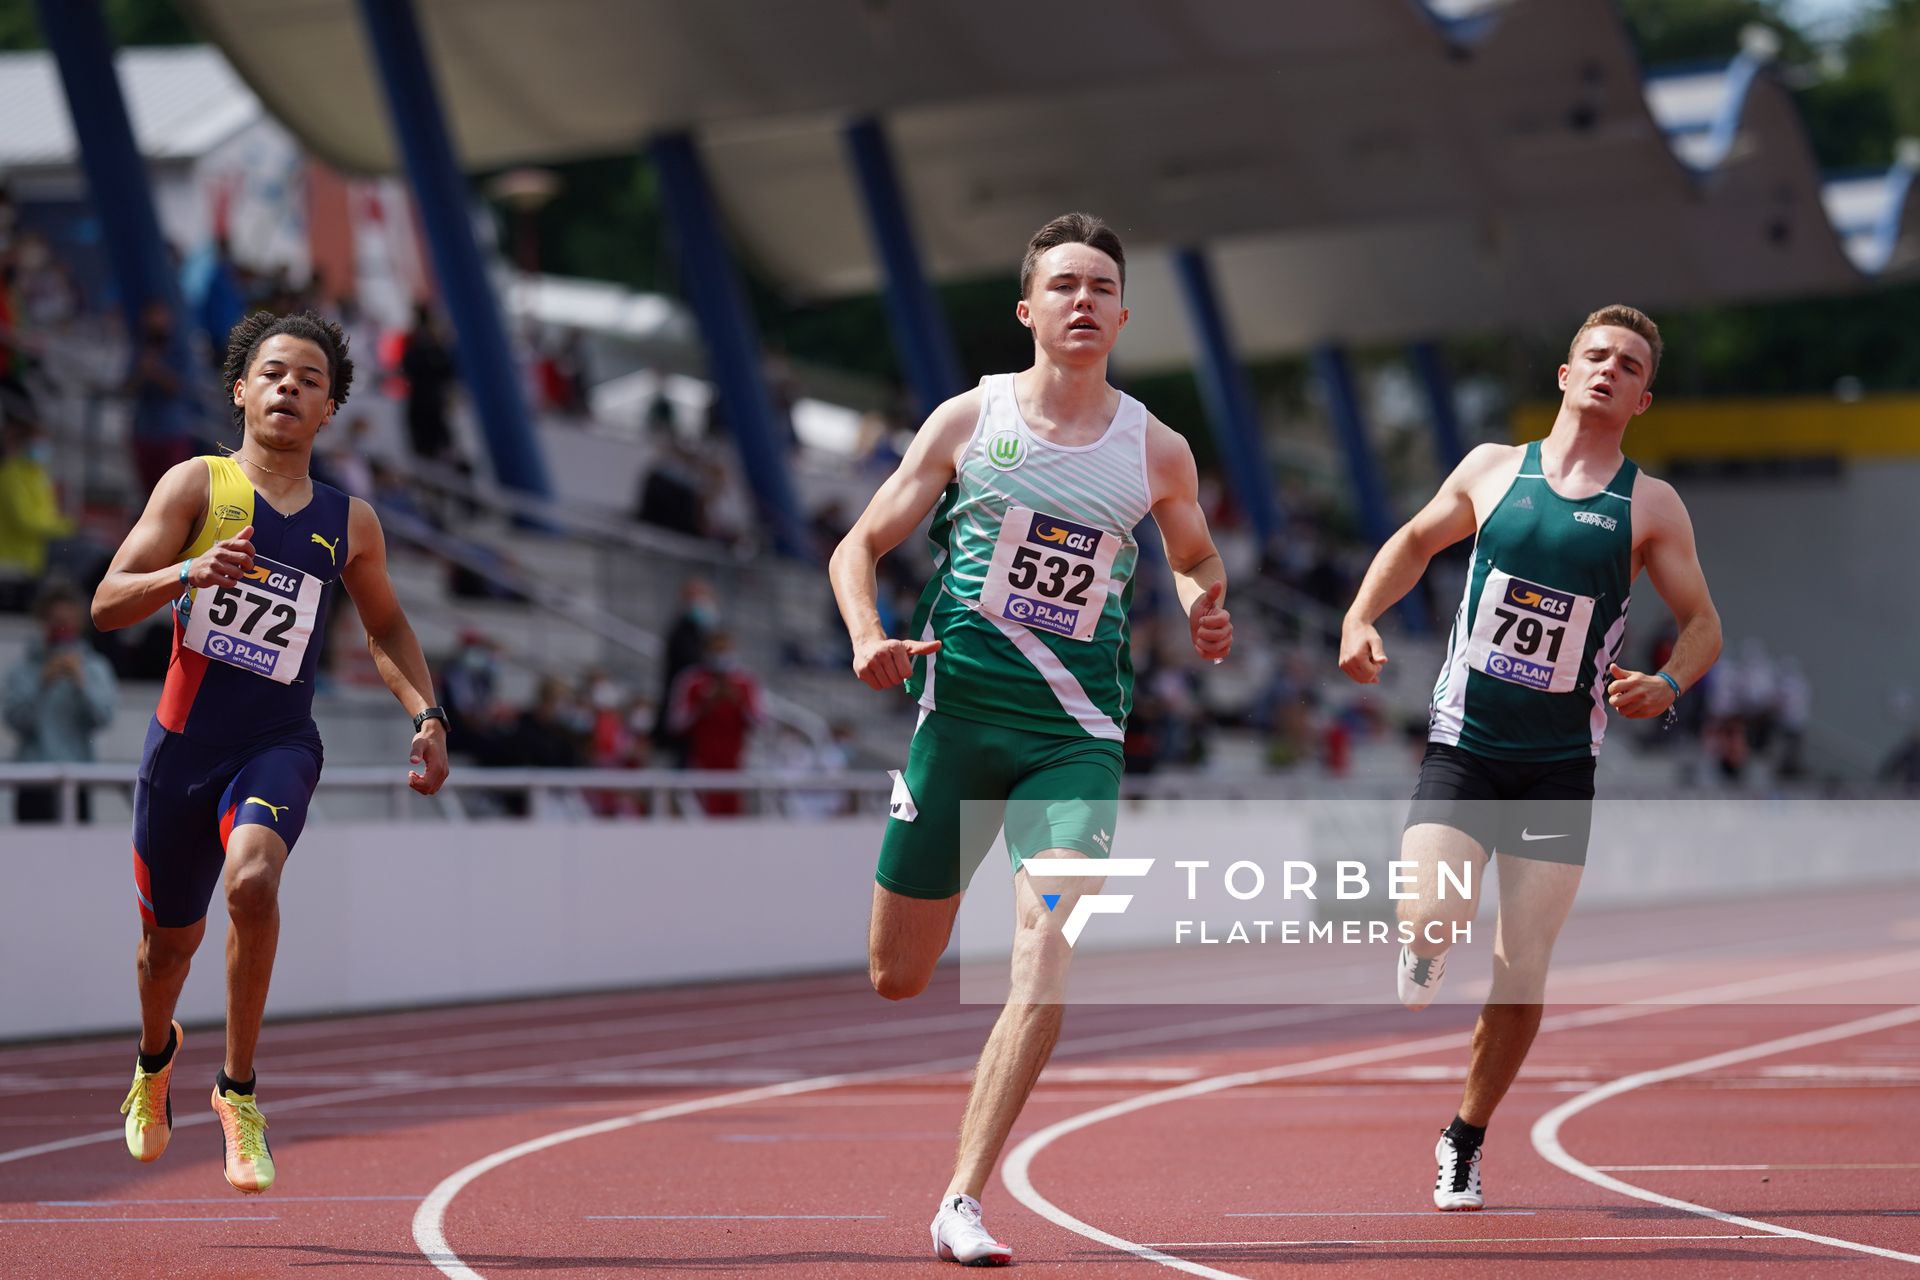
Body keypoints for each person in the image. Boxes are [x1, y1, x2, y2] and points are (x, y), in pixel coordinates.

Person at [828, 212, 1233, 1265]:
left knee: (1045, 955)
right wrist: (870, 634)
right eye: (1064, 284)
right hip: (958, 724)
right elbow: (859, 546)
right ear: (1028, 308)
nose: (1084, 300)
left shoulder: (1155, 446)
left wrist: (1202, 601)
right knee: (898, 974)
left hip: (1078, 740)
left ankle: (962, 1195)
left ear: (1124, 314)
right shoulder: (969, 421)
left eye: (1102, 285)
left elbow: (1195, 554)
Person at [1338, 304, 1721, 1212]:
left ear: (1642, 398)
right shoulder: (1491, 470)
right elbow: (1414, 542)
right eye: (1594, 356)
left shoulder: (1650, 505)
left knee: (1523, 966)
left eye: (1627, 365)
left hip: (1559, 767)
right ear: (1563, 373)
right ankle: (1426, 945)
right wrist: (1360, 615)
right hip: (1465, 744)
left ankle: (1464, 1135)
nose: (1607, 370)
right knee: (1429, 915)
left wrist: (1667, 684)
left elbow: (1704, 624)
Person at [92, 310, 450, 1196]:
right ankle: (153, 1057)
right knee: (164, 950)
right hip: (181, 751)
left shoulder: (349, 521)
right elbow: (106, 601)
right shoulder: (194, 486)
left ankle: (237, 1089)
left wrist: (428, 714)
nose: (291, 387)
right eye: (275, 373)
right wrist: (189, 572)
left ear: (331, 411)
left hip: (278, 741)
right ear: (242, 391)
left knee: (253, 882)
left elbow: (389, 626)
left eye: (311, 380)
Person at [4, 580, 116, 822]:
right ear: (44, 621)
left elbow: (103, 717)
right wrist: (43, 684)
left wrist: (80, 683)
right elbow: (15, 720)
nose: (61, 629)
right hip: (33, 778)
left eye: (66, 623)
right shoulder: (24, 669)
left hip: (79, 776)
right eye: (56, 623)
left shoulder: (94, 667)